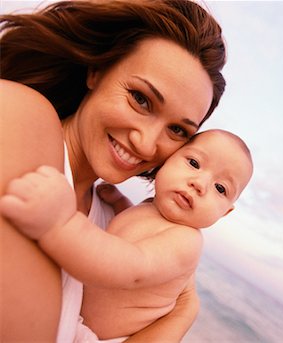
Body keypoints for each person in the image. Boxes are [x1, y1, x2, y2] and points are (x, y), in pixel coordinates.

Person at [0, 0, 226, 341]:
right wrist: (182, 312)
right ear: (97, 72)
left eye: (178, 130)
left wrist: (183, 312)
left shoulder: (111, 228)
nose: (147, 144)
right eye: (141, 99)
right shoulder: (20, 114)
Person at [0, 129, 253, 342]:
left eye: (220, 188)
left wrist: (58, 224)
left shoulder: (187, 242)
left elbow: (130, 264)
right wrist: (120, 202)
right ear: (167, 161)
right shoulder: (150, 208)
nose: (200, 184)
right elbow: (135, 231)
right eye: (194, 163)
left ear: (225, 213)